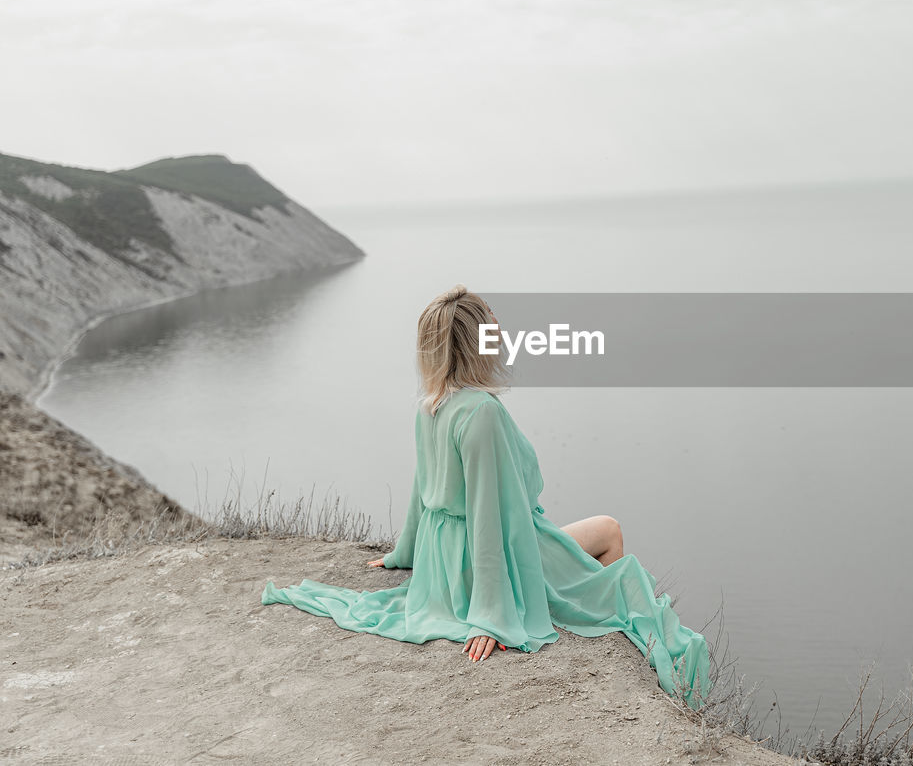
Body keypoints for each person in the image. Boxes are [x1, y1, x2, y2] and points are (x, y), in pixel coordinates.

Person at [261, 284, 712, 709]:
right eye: (492, 330)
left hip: (443, 558)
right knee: (609, 531)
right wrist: (491, 613)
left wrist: (407, 552)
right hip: (489, 558)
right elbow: (486, 516)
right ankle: (632, 646)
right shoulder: (482, 412)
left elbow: (423, 488)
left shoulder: (431, 406)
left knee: (593, 539)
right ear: (477, 344)